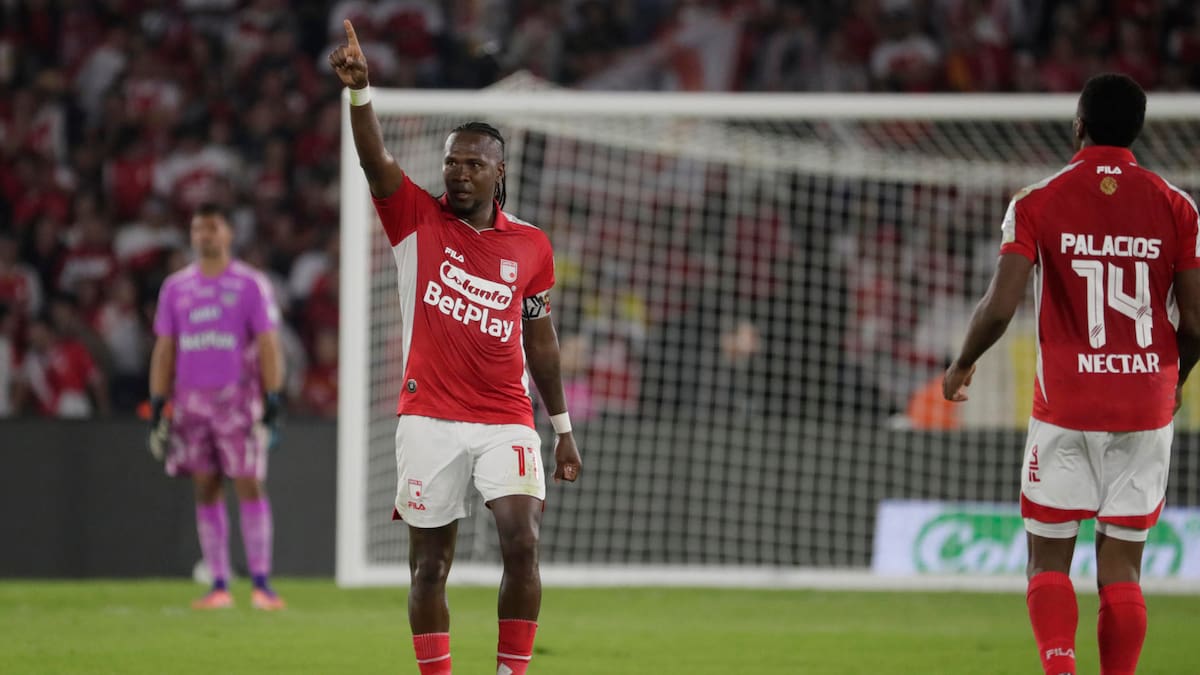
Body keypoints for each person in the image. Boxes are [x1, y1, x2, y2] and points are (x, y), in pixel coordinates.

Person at [329, 19, 582, 675]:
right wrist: (360, 93)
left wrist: (561, 427)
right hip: (429, 416)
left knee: (522, 543)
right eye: (451, 162)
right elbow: (374, 161)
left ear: (500, 172)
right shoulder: (415, 217)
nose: (460, 173)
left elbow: (540, 337)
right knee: (429, 566)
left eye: (474, 164)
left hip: (506, 417)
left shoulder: (532, 245)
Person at [943, 73, 1200, 675]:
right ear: (1137, 131)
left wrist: (962, 364)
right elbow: (1196, 321)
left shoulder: (1037, 200)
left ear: (1078, 125)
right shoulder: (1177, 206)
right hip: (1144, 406)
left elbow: (999, 307)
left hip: (1067, 405)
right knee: (1123, 568)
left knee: (1048, 561)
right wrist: (1174, 381)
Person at [148, 203, 287, 611]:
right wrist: (157, 403)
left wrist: (273, 397)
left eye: (211, 227)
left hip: (238, 402)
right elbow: (165, 348)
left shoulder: (250, 284)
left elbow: (268, 344)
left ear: (228, 233)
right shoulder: (175, 288)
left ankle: (261, 583)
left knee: (248, 482)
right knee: (205, 487)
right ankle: (219, 584)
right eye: (198, 229)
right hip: (191, 404)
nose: (204, 235)